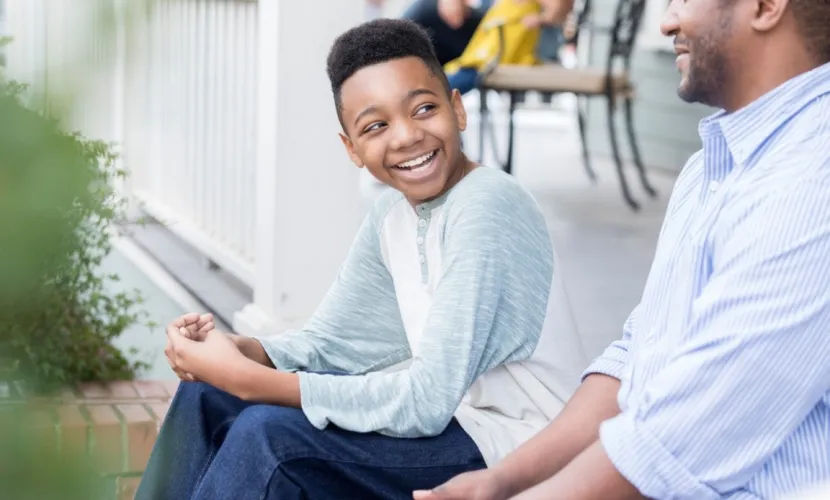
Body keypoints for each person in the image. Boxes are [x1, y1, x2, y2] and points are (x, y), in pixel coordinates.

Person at [135, 18, 588, 500]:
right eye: (376, 126)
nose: (406, 136)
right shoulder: (392, 217)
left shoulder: (489, 204)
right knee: (209, 392)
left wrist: (255, 382)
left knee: (271, 438)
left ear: (458, 109)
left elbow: (426, 400)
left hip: (520, 448)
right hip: (462, 426)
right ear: (351, 148)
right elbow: (333, 344)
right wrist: (246, 353)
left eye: (424, 108)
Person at [416, 0, 830, 497]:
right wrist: (502, 480)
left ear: (765, 7)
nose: (667, 20)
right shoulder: (712, 168)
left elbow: (678, 442)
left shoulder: (810, 184)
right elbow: (639, 360)